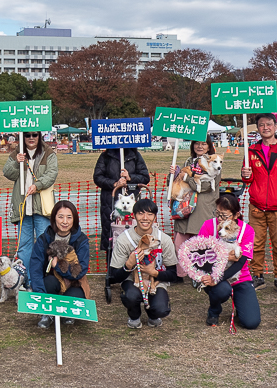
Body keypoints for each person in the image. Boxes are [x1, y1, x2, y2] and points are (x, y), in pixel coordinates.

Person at [240, 113, 277, 293]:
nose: (265, 128)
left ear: (275, 126)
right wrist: (245, 175)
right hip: (257, 207)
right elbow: (248, 179)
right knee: (256, 244)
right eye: (261, 125)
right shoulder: (251, 151)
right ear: (257, 128)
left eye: (269, 124)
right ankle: (257, 276)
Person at [109, 199, 178, 328]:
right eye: (141, 213)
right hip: (132, 279)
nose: (145, 218)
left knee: (161, 308)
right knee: (131, 296)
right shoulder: (124, 239)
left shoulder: (164, 239)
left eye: (150, 214)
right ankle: (134, 315)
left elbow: (173, 274)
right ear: (134, 215)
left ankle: (154, 314)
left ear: (155, 217)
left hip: (155, 280)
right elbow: (114, 277)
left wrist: (154, 273)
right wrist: (128, 265)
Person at [196, 192, 260, 329]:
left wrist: (218, 277)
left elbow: (240, 262)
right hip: (213, 273)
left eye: (224, 216)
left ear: (236, 215)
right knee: (222, 290)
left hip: (239, 277)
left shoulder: (247, 230)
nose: (219, 218)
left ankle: (240, 306)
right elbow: (199, 255)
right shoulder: (208, 225)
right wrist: (220, 265)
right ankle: (214, 311)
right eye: (217, 213)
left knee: (251, 322)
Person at [3, 130, 59, 285]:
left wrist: (37, 185)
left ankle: (41, 279)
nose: (31, 138)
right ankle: (26, 280)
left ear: (39, 136)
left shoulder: (48, 153)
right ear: (23, 137)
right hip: (23, 208)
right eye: (27, 135)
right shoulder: (17, 152)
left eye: (35, 135)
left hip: (42, 208)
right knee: (24, 247)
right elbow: (7, 173)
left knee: (44, 245)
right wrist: (17, 162)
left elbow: (52, 174)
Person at [29, 200, 90, 329]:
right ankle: (47, 314)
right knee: (48, 283)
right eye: (60, 217)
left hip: (74, 282)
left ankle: (67, 314)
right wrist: (41, 297)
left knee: (76, 296)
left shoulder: (81, 240)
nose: (65, 221)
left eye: (69, 217)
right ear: (54, 218)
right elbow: (35, 268)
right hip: (52, 281)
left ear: (74, 219)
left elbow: (81, 270)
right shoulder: (44, 239)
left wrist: (57, 266)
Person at [170, 139, 220, 276]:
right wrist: (174, 173)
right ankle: (181, 273)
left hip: (202, 209)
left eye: (204, 144)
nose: (200, 146)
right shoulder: (188, 162)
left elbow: (205, 187)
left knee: (202, 244)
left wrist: (187, 178)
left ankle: (202, 273)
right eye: (197, 143)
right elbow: (179, 182)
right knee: (180, 243)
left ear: (209, 146)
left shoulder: (215, 163)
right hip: (185, 207)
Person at [93, 146, 150, 254]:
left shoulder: (135, 156)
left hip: (131, 202)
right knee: (111, 236)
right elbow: (98, 177)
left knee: (133, 236)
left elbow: (145, 177)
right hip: (110, 202)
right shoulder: (106, 156)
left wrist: (130, 177)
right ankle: (112, 263)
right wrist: (114, 184)